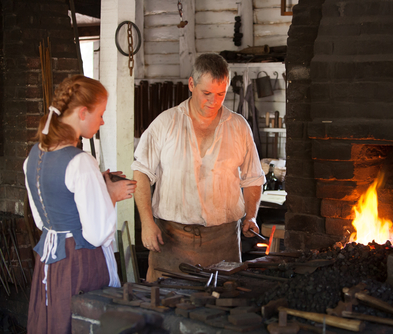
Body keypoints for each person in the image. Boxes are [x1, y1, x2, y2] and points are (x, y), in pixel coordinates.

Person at [132, 53, 265, 282]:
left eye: (221, 94)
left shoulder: (239, 127)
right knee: (165, 308)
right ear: (191, 85)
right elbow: (141, 173)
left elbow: (253, 178)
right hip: (171, 241)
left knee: (221, 309)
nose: (213, 101)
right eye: (207, 94)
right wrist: (146, 222)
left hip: (223, 242)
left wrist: (251, 216)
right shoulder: (166, 123)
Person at [23, 75, 137, 334]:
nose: (102, 121)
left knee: (54, 322)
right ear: (83, 112)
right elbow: (97, 234)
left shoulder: (33, 155)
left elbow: (43, 221)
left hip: (50, 263)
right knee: (81, 324)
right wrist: (111, 194)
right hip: (80, 263)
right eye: (101, 114)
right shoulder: (80, 162)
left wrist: (99, 185)